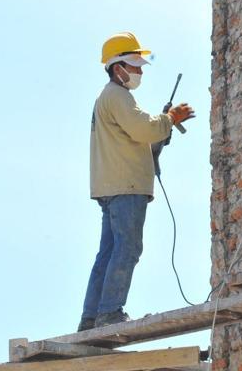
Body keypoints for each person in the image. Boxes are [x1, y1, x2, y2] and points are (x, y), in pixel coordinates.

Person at [78, 32, 194, 330]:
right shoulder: (117, 96)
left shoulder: (109, 99)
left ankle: (91, 317)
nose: (140, 72)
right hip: (126, 186)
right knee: (127, 248)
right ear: (118, 68)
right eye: (135, 67)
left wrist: (163, 128)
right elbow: (143, 129)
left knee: (109, 251)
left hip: (112, 185)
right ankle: (110, 312)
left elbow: (138, 139)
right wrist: (169, 119)